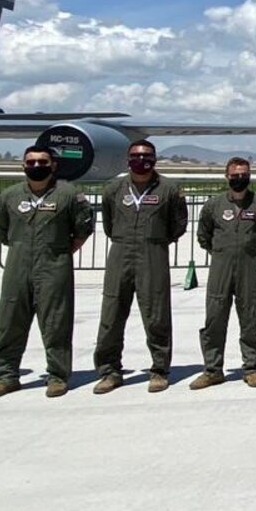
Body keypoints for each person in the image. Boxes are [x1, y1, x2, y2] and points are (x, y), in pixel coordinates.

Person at [0, 144, 94, 398]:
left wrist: (57, 252)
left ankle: (57, 376)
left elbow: (82, 229)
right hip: (17, 266)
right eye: (31, 162)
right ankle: (5, 375)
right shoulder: (10, 196)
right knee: (9, 321)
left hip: (54, 266)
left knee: (56, 322)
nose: (37, 166)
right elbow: (2, 231)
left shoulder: (68, 195)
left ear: (53, 165)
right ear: (23, 165)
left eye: (43, 162)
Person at [93, 139, 189, 393]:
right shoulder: (114, 188)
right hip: (120, 253)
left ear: (155, 159)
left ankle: (159, 370)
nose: (141, 159)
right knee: (111, 315)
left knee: (156, 314)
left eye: (146, 155)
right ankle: (109, 371)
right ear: (128, 159)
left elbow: (178, 224)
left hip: (153, 253)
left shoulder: (169, 189)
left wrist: (155, 240)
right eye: (136, 155)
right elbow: (108, 224)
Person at [194, 157, 256, 388]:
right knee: (214, 318)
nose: (240, 178)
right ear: (227, 176)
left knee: (250, 318)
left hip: (249, 267)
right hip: (220, 268)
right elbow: (204, 235)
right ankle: (212, 369)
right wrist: (221, 252)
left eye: (244, 174)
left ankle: (251, 367)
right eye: (235, 175)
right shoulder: (214, 205)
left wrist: (250, 251)